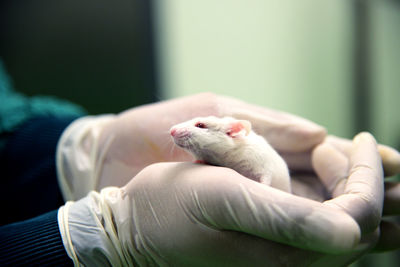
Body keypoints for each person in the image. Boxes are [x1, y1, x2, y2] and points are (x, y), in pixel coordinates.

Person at [1, 60, 400, 266]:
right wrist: (104, 236)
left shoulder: (246, 145)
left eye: (200, 126)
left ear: (234, 131)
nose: (179, 131)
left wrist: (73, 151)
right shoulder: (210, 149)